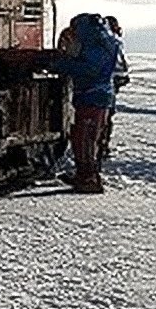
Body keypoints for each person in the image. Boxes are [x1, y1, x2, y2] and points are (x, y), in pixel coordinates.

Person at [50, 13, 121, 194]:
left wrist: (62, 64)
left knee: (86, 139)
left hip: (93, 96)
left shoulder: (95, 46)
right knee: (82, 137)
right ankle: (84, 175)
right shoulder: (103, 42)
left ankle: (89, 179)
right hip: (96, 96)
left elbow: (88, 69)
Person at [100, 15, 130, 158]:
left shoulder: (107, 43)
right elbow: (122, 66)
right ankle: (103, 144)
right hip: (111, 84)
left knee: (102, 117)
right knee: (106, 116)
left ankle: (101, 145)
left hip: (104, 84)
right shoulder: (116, 42)